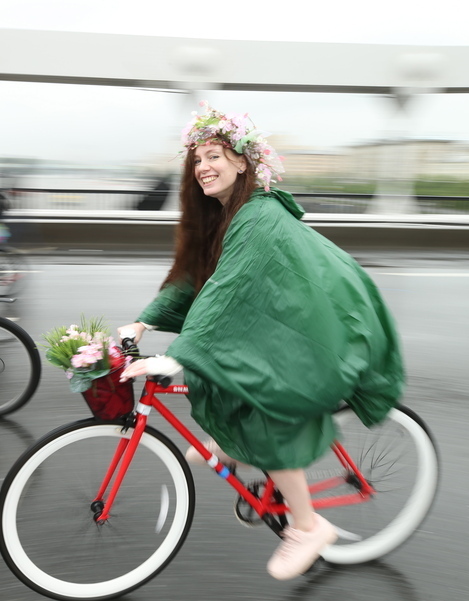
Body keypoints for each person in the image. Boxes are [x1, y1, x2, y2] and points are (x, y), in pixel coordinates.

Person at [118, 102, 404, 581]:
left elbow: (229, 292)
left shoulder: (257, 216)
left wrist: (176, 357)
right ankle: (240, 444)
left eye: (214, 156)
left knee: (270, 410)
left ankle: (308, 526)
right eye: (197, 159)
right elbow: (199, 281)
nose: (203, 167)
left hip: (315, 327)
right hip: (287, 318)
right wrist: (143, 324)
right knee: (229, 384)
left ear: (242, 163)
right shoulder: (225, 214)